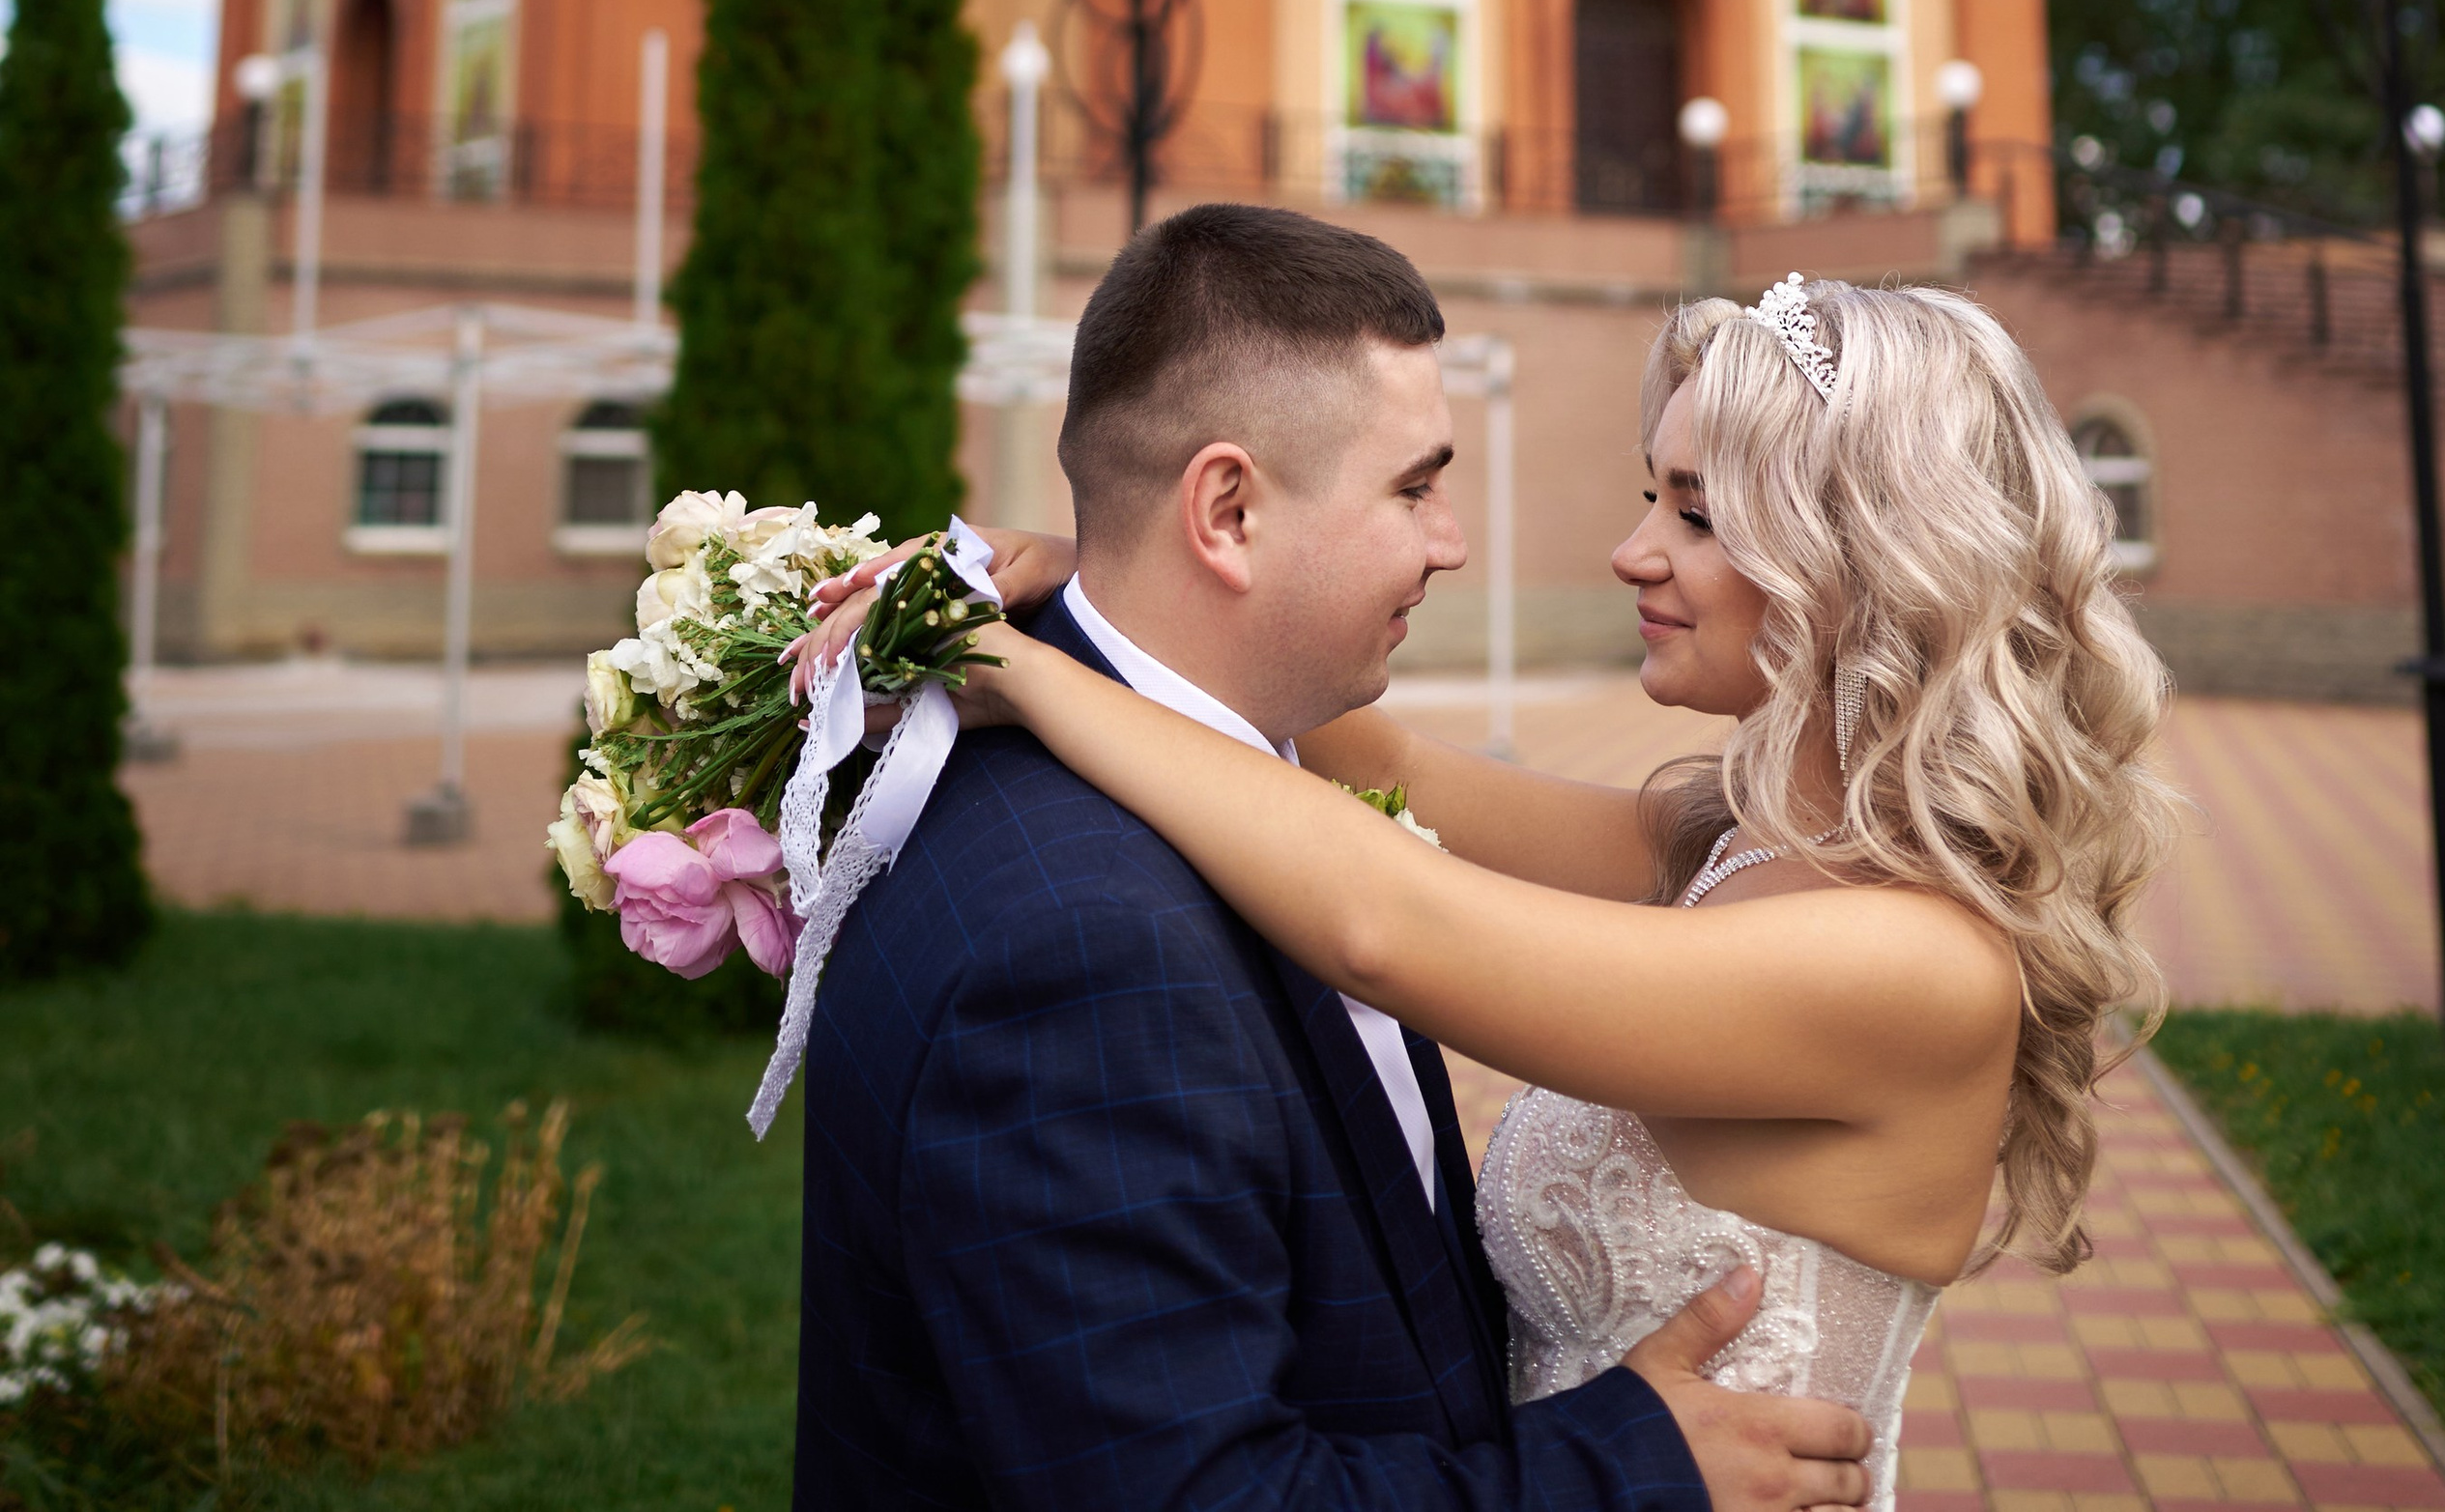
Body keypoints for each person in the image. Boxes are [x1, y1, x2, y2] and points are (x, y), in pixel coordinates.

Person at [805, 224, 2173, 1511]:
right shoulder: (1729, 845)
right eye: (1652, 496)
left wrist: (1023, 671)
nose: (1634, 551)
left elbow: (1387, 921)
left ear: (1862, 564)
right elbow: (1390, 766)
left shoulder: (1917, 963)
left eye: (1698, 516)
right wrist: (1103, 577)